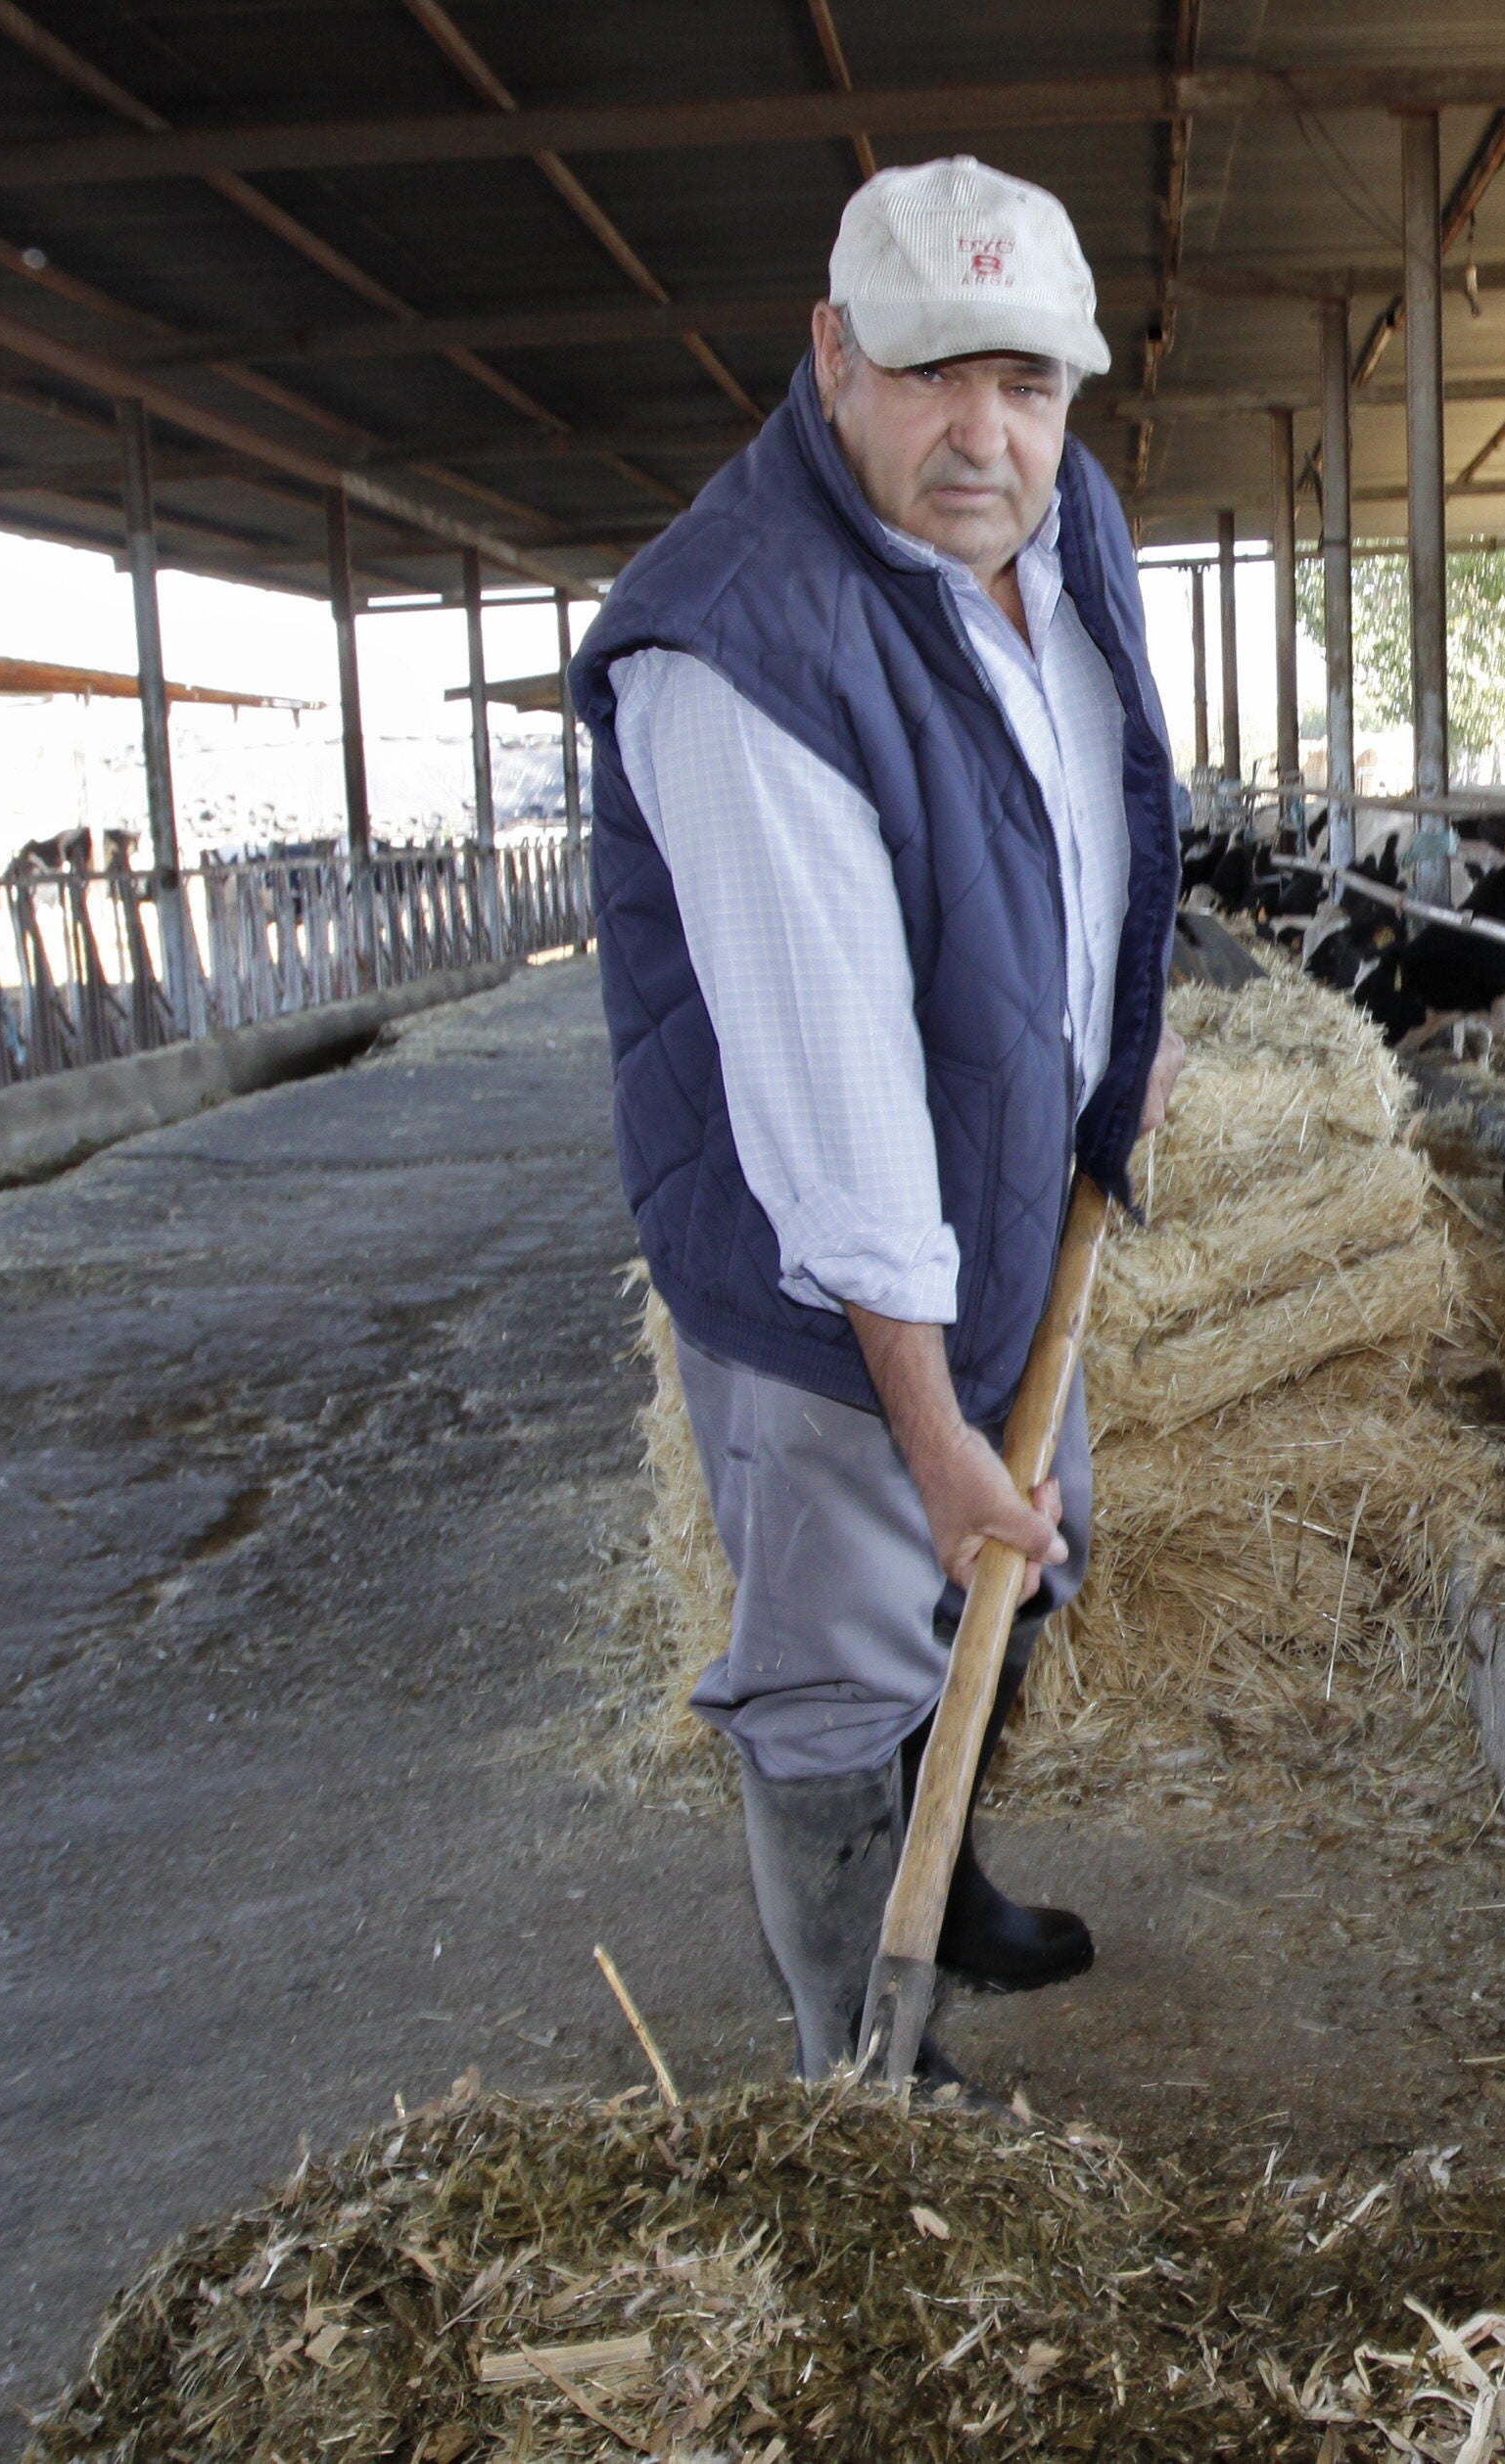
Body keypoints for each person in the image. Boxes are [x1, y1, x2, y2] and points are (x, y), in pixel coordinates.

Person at [570, 156, 1184, 2089]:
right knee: (846, 1648)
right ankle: (868, 2043)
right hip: (827, 1273)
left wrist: (1116, 1036)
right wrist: (925, 1426)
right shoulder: (738, 647)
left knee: (1010, 1564)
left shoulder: (1062, 516)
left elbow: (1083, 815)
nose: (982, 439)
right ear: (830, 355)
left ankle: (960, 1865)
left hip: (1001, 1179)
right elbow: (831, 1112)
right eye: (931, 378)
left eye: (1028, 383)